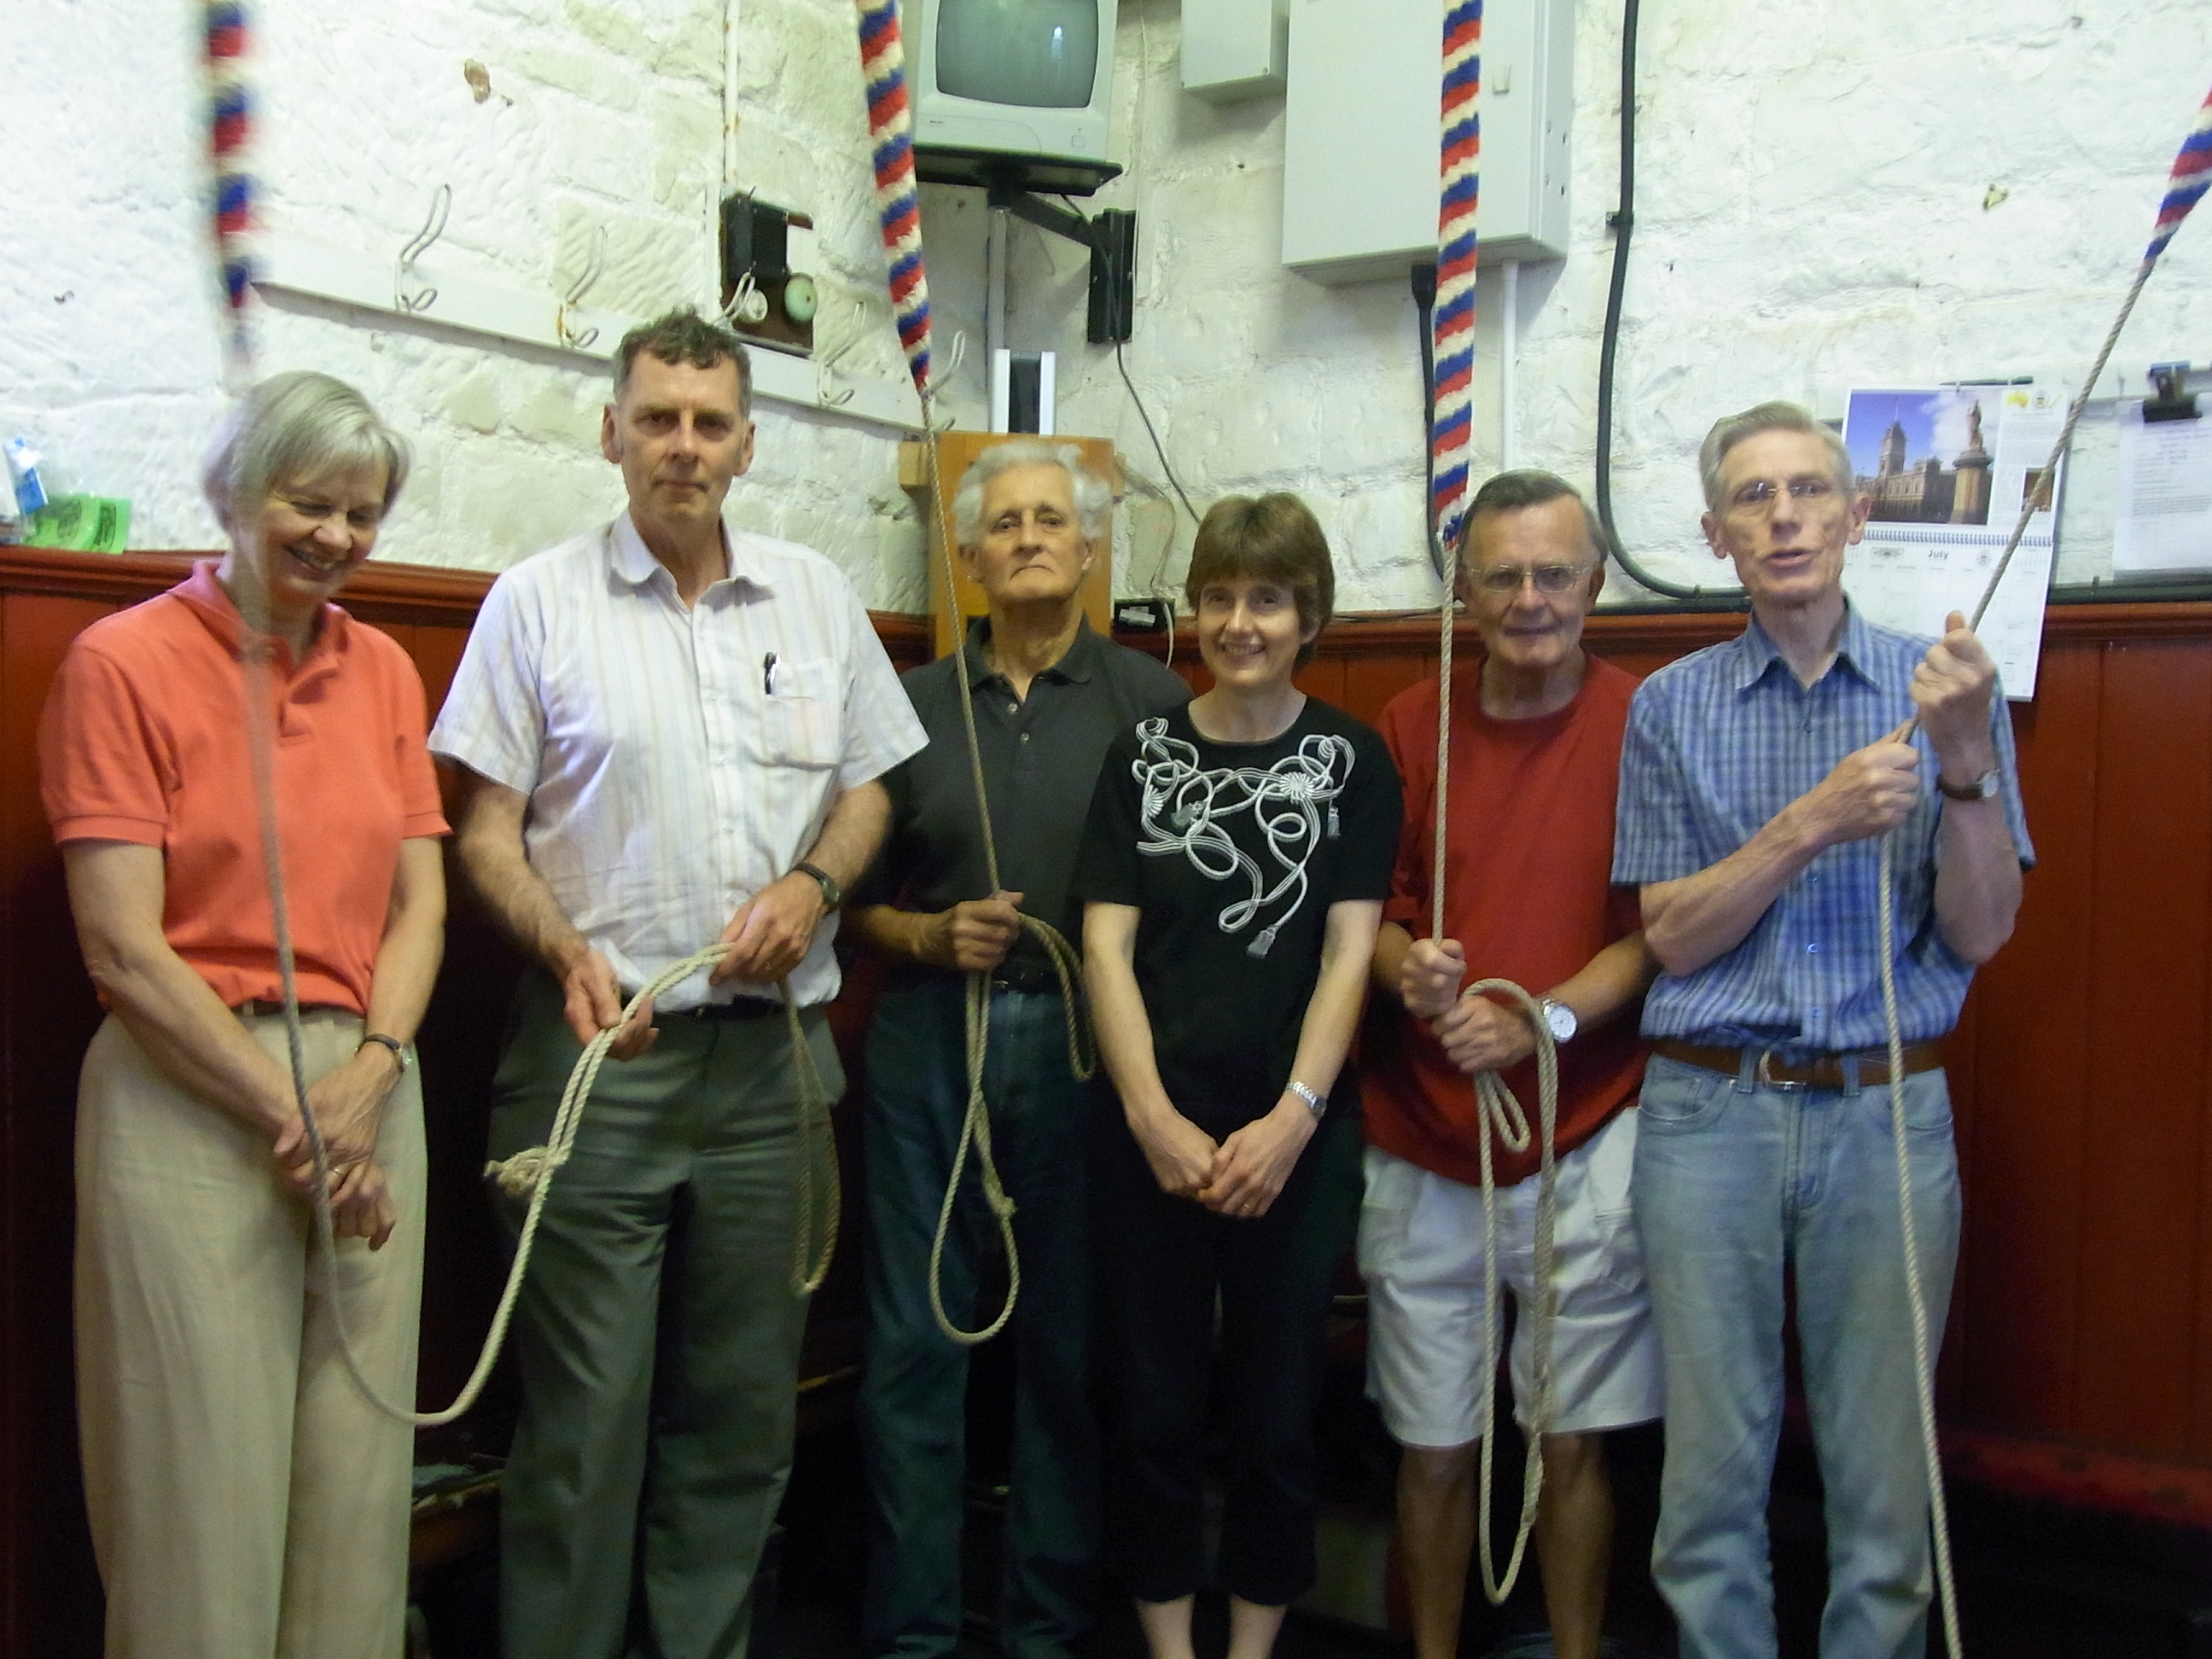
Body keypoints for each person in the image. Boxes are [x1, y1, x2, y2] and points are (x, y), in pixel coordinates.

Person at [430, 307, 926, 1659]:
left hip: (773, 1067)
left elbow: (874, 791)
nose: (683, 446)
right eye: (658, 418)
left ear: (748, 445)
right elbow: (482, 831)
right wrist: (561, 949)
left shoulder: (815, 597)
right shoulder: (536, 603)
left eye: (711, 423)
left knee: (740, 1420)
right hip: (599, 1061)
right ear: (612, 431)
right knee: (584, 1429)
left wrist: (816, 887)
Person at [1612, 402, 2032, 1659]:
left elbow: (1985, 931)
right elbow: (1672, 936)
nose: (1783, 516)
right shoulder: (1669, 708)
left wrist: (1963, 768)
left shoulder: (1947, 689)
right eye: (1754, 497)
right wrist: (1811, 824)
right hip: (1708, 1111)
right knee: (1708, 1483)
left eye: (1808, 492)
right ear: (1716, 534)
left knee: (1884, 1482)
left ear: (1857, 517)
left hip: (1882, 1111)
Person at [39, 371, 445, 1657]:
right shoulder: (123, 662)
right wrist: (302, 1118)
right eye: (307, 501)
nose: (335, 534)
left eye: (362, 511)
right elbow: (122, 945)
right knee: (195, 1491)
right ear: (234, 491)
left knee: (357, 1482)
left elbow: (418, 909)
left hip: (368, 1089)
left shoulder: (382, 671)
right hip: (190, 1093)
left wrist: (370, 1080)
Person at [849, 438, 1190, 1659]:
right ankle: (914, 1634)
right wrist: (930, 935)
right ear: (968, 554)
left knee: (1064, 1352)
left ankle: (1046, 1630)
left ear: (1094, 548)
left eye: (1055, 519)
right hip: (929, 1045)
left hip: (1093, 1054)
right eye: (1007, 523)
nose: (1032, 537)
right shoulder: (906, 706)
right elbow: (857, 907)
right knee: (913, 1351)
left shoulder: (1155, 706)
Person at [1074, 493, 1400, 1659]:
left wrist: (1295, 1119)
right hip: (1148, 1130)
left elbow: (1352, 950)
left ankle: (1255, 1647)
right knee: (1153, 1409)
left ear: (1308, 612)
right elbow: (1104, 947)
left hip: (1294, 1135)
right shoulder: (1142, 753)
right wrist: (1150, 1114)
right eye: (1219, 595)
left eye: (1267, 598)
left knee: (1273, 1419)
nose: (1240, 620)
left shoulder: (1351, 759)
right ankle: (1169, 1649)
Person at [1362, 470, 1662, 1659]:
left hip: (1588, 1123)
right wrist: (1409, 977)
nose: (1530, 598)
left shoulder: (1648, 719)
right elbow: (1373, 917)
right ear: (1463, 589)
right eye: (1502, 575)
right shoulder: (1408, 722)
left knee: (1573, 1439)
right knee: (1433, 1449)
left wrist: (1546, 1021)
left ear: (1596, 582)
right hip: (1425, 1133)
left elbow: (1663, 929)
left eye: (1554, 573)